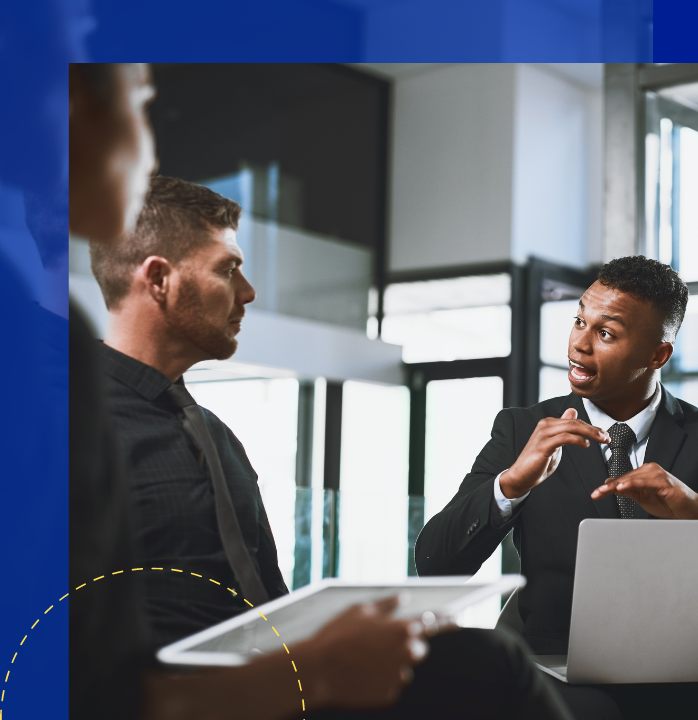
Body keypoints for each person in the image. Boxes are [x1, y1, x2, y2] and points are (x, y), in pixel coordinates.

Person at [70, 62, 570, 720]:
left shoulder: (213, 436)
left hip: (271, 676)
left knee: (472, 659)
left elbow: (264, 601)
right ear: (159, 280)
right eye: (230, 270)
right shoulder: (70, 414)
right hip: (192, 695)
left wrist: (351, 636)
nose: (248, 293)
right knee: (491, 666)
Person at [416, 256, 698, 720]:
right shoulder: (521, 431)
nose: (578, 344)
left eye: (605, 333)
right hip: (562, 666)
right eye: (579, 321)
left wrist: (696, 509)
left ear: (658, 354)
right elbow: (434, 563)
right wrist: (511, 484)